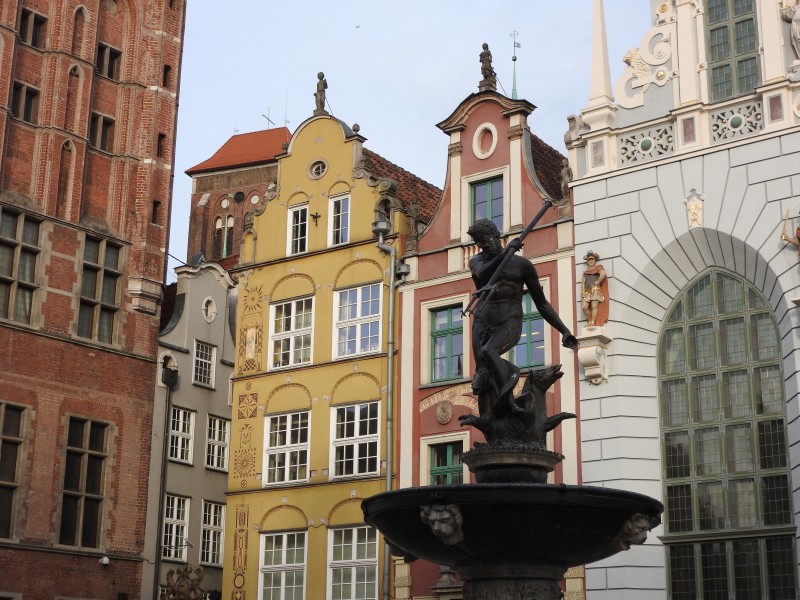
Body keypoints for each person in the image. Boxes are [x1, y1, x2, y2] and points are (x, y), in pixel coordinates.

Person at [467, 219, 577, 418]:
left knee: (489, 351)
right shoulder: (477, 262)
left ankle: (509, 399)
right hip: (483, 322)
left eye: (483, 240)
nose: (481, 245)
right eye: (477, 242)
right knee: (482, 376)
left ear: (495, 236)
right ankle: (488, 422)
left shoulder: (522, 265)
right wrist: (506, 253)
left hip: (510, 321)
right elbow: (483, 274)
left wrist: (564, 330)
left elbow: (541, 303)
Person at [581, 251, 608, 327]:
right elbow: (583, 282)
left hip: (595, 289)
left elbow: (603, 273)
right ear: (587, 262)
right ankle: (589, 320)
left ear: (595, 261)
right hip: (587, 291)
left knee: (594, 306)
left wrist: (598, 281)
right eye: (589, 260)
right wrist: (583, 291)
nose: (591, 261)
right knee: (584, 307)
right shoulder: (585, 272)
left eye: (592, 260)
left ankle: (593, 322)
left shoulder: (598, 268)